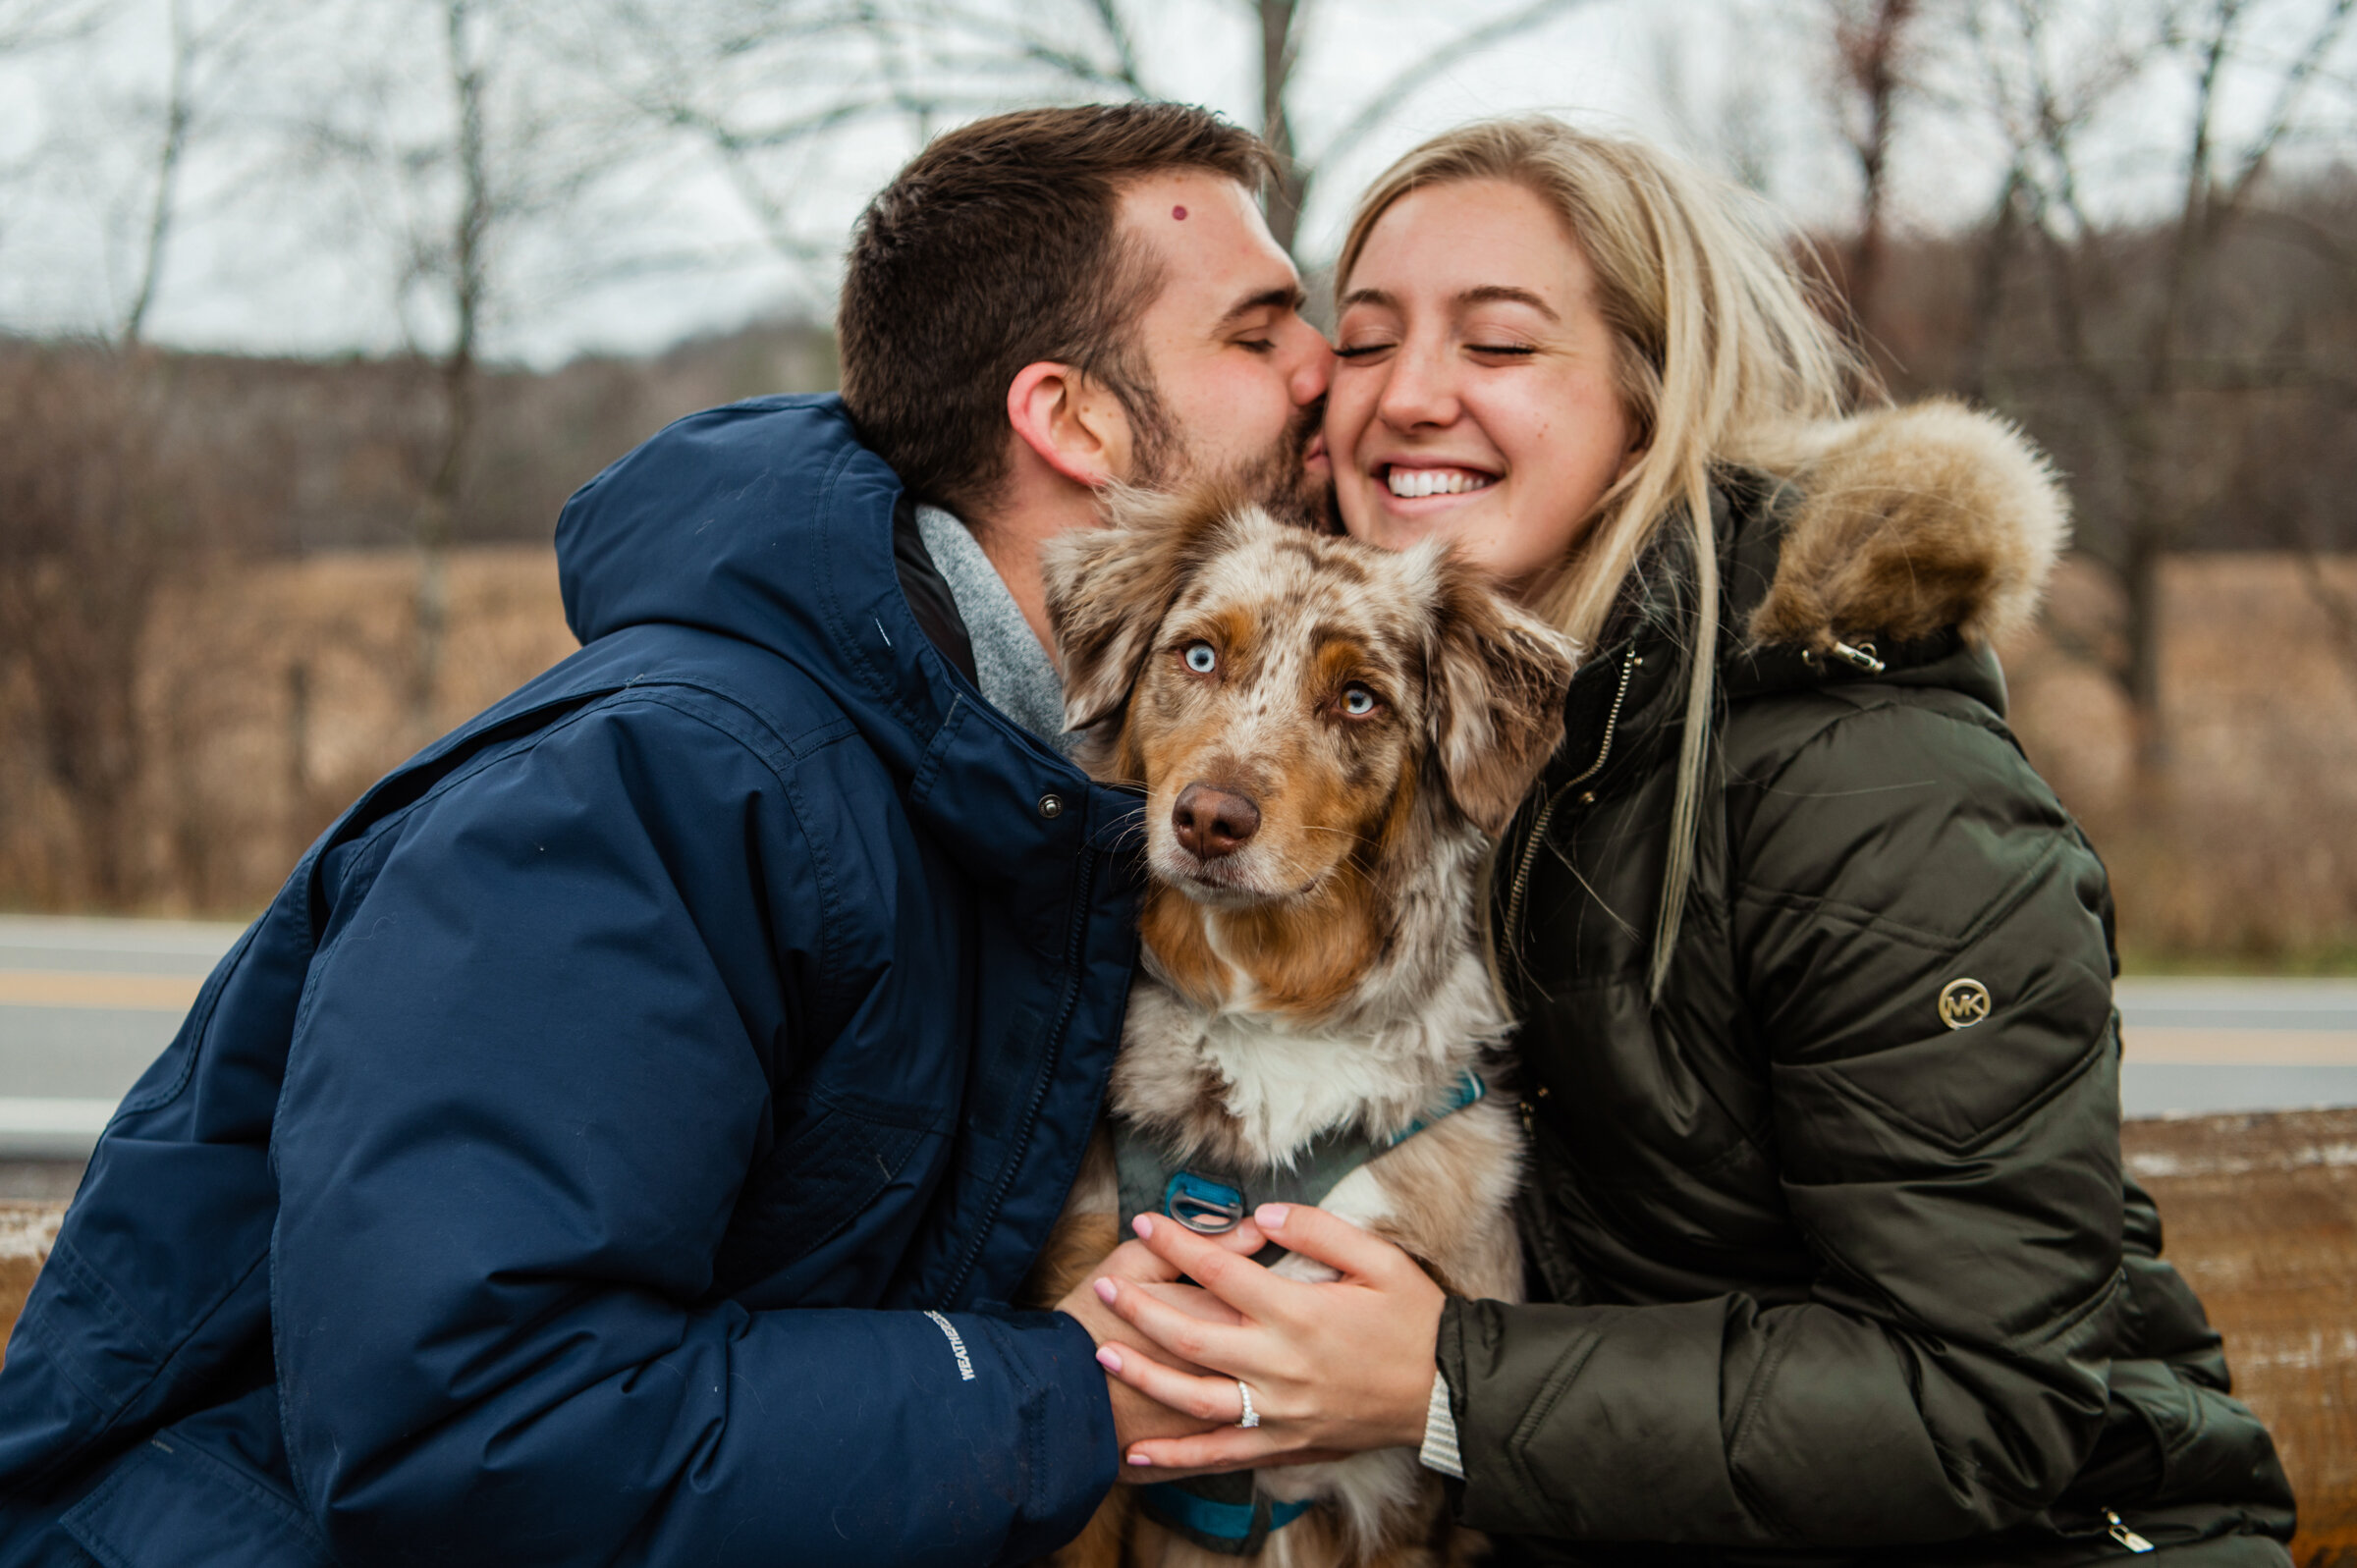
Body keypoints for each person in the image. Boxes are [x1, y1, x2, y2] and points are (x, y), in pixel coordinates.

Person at [0, 104, 1333, 1567]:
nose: (1323, 370)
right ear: (1071, 419)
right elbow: (473, 1432)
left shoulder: (1019, 787)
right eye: (1260, 332)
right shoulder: (661, 789)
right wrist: (1062, 1390)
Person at [1086, 118, 2298, 1566]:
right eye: (1365, 338)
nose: (1408, 395)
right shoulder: (1441, 733)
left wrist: (1444, 1385)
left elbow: (1979, 1404)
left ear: (1654, 404)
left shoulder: (1866, 781)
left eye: (1502, 345)